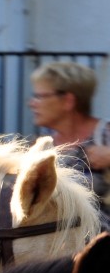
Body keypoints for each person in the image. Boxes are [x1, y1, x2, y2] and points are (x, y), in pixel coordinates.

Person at [29, 61, 110, 227]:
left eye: (40, 96)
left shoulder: (105, 135)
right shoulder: (41, 147)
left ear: (68, 101)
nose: (32, 103)